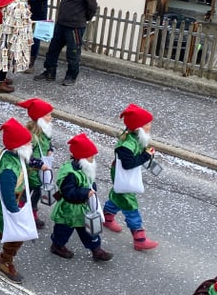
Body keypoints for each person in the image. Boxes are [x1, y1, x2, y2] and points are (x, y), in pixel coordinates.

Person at [0, 117, 35, 284]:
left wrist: (38, 164)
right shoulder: (9, 169)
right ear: (19, 146)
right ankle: (5, 261)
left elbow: (26, 161)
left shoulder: (11, 152)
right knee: (15, 233)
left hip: (6, 202)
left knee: (0, 225)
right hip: (5, 203)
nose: (30, 145)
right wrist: (14, 213)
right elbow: (6, 193)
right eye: (27, 143)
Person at [36, 0, 98, 86]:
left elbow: (92, 6)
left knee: (73, 52)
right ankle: (50, 72)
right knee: (53, 49)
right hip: (62, 22)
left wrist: (84, 18)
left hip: (75, 25)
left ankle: (71, 76)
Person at [103, 104, 159, 251]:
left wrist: (145, 152)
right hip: (123, 174)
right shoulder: (126, 145)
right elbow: (129, 164)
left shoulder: (133, 136)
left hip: (124, 174)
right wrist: (146, 156)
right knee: (129, 203)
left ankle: (107, 218)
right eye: (147, 124)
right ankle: (139, 238)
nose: (150, 126)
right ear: (138, 128)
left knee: (118, 195)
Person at [50, 132, 113, 262]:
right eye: (91, 157)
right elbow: (68, 193)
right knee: (63, 230)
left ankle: (96, 250)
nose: (93, 159)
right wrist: (85, 193)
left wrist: (91, 188)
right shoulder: (70, 173)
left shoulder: (84, 168)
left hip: (82, 208)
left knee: (89, 230)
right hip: (69, 210)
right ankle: (57, 245)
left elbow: (88, 182)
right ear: (81, 158)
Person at [18, 97, 54, 230]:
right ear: (39, 117)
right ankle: (21, 212)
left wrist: (50, 150)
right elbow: (26, 154)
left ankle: (32, 212)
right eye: (48, 115)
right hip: (31, 169)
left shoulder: (45, 130)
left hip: (41, 167)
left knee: (37, 191)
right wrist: (39, 164)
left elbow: (48, 143)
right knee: (27, 191)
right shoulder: (30, 134)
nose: (51, 118)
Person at [22, 0, 55, 72]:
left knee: (35, 38)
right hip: (27, 8)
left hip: (39, 10)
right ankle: (24, 58)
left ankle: (31, 60)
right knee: (25, 34)